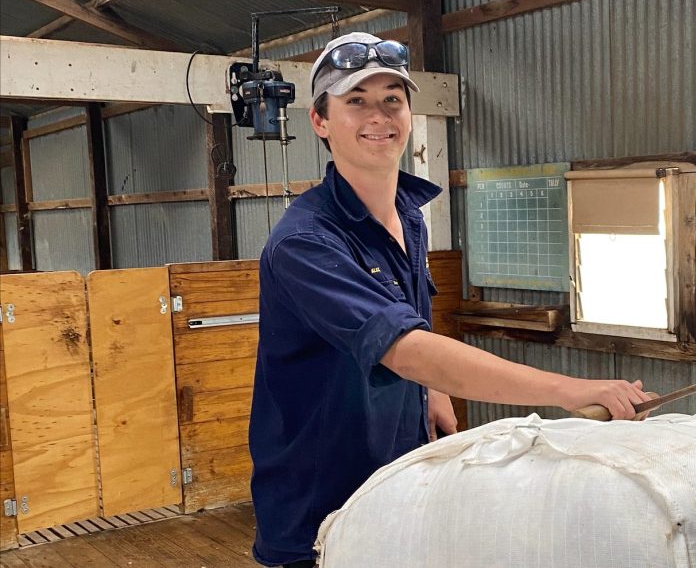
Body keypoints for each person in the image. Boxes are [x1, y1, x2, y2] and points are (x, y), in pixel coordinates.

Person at [248, 32, 649, 568]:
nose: (379, 115)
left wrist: (432, 390)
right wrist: (568, 390)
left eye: (393, 98)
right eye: (356, 101)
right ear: (320, 121)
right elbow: (405, 347)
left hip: (397, 476)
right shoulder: (307, 243)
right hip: (321, 501)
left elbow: (413, 318)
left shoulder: (409, 216)